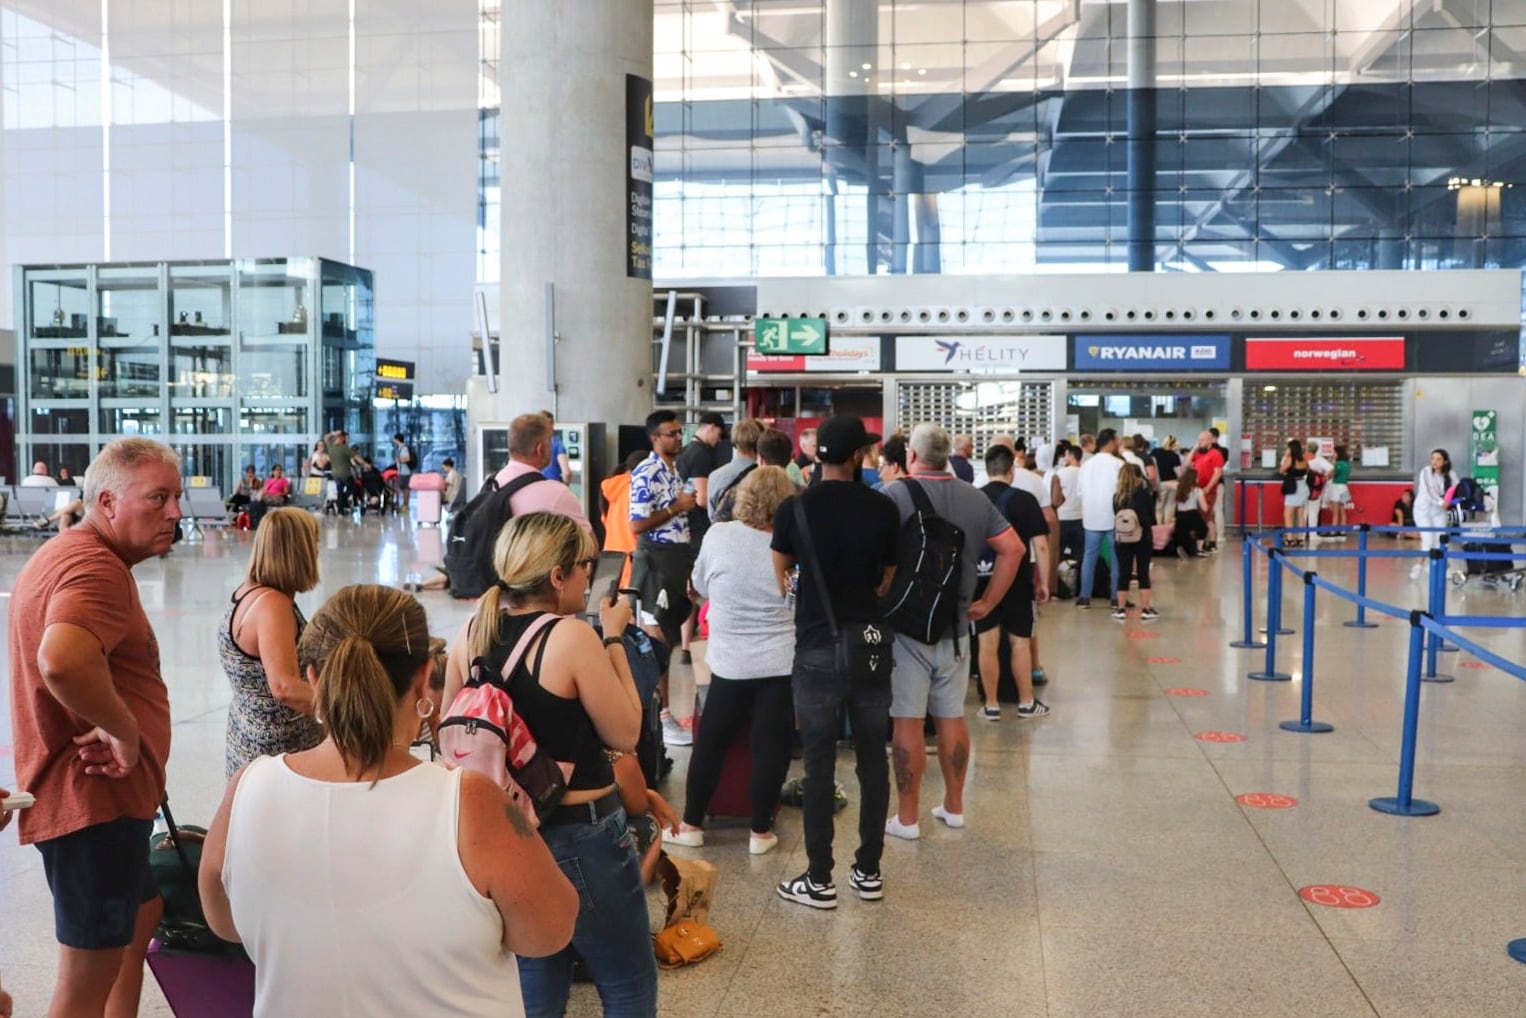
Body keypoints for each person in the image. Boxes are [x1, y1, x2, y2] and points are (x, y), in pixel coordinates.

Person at [199, 584, 579, 1017]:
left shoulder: (249, 789)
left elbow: (225, 924)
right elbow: (550, 931)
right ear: (423, 678)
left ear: (312, 677)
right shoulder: (469, 803)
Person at [442, 512, 656, 1015]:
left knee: (537, 975)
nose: (590, 577)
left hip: (506, 835)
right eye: (584, 566)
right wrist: (613, 639)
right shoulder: (570, 637)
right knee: (627, 981)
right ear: (557, 576)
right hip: (583, 838)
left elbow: (447, 733)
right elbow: (625, 733)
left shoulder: (472, 631)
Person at [8, 437, 182, 1017]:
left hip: (103, 808)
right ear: (106, 502)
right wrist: (125, 729)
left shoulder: (69, 553)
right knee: (85, 981)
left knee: (140, 915)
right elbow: (62, 659)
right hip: (92, 806)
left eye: (175, 498)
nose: (175, 513)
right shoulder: (96, 568)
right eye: (158, 499)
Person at [770, 414, 899, 909]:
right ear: (858, 457)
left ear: (817, 456)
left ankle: (818, 879)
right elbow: (887, 578)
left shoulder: (794, 509)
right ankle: (868, 872)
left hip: (816, 648)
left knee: (820, 764)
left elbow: (781, 573)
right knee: (872, 760)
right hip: (868, 644)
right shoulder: (882, 508)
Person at [882, 423, 1024, 839]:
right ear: (948, 457)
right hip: (958, 626)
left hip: (908, 629)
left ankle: (907, 819)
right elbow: (1013, 549)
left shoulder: (893, 496)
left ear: (911, 455)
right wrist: (987, 603)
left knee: (906, 720)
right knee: (952, 716)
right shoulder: (974, 496)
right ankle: (954, 806)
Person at [670, 467, 797, 855]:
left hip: (728, 663)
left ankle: (690, 824)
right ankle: (760, 832)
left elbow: (703, 586)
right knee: (770, 748)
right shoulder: (794, 544)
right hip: (780, 662)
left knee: (711, 743)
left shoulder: (718, 535)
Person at [220, 507, 323, 777]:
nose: (318, 550)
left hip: (247, 731)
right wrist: (342, 709)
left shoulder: (248, 592)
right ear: (297, 551)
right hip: (278, 745)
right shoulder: (273, 606)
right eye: (314, 542)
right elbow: (284, 687)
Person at [629, 409, 699, 747]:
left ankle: (663, 714)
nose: (678, 438)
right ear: (655, 438)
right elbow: (636, 524)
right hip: (655, 560)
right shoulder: (647, 471)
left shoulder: (674, 469)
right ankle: (662, 715)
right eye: (671, 433)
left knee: (669, 637)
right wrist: (678, 507)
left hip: (675, 560)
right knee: (656, 641)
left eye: (679, 432)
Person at [975, 444, 1052, 720]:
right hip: (1018, 580)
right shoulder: (1025, 499)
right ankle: (1026, 702)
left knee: (986, 642)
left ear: (987, 469)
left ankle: (991, 705)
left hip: (982, 580)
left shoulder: (974, 498)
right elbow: (1041, 546)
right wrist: (1044, 582)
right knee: (1020, 641)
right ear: (1012, 470)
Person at [1076, 428, 1125, 608]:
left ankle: (1084, 597)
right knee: (1116, 558)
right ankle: (1115, 597)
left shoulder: (1086, 465)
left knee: (1089, 557)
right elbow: (1122, 491)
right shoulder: (1118, 464)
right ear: (1111, 441)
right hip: (1113, 517)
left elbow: (1080, 492)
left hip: (1091, 517)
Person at [1112, 464, 1159, 621]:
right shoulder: (1145, 495)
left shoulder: (1117, 497)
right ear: (1138, 478)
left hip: (1121, 538)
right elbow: (1151, 519)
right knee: (1143, 572)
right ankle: (1146, 608)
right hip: (1142, 537)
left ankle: (1120, 609)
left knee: (1123, 573)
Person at [1411, 448, 1458, 579]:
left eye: (1438, 459)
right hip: (1423, 510)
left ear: (1445, 461)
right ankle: (1418, 567)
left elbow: (1456, 489)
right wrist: (1441, 502)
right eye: (1433, 459)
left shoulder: (1451, 474)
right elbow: (1429, 491)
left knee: (1441, 539)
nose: (1435, 462)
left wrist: (1452, 502)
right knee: (1428, 540)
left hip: (1439, 512)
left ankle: (1445, 567)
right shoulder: (1426, 472)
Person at [707, 417, 763, 522]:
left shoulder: (715, 476)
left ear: (734, 443)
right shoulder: (764, 476)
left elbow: (712, 516)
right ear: (759, 443)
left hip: (723, 535)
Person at [1190, 430, 1226, 553]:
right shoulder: (1198, 454)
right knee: (1203, 517)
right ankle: (1206, 542)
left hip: (1208, 491)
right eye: (1199, 440)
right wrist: (1193, 450)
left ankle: (1210, 542)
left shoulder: (1215, 454)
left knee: (1207, 516)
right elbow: (1186, 465)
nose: (1200, 442)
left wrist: (1208, 488)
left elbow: (1217, 473)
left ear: (1210, 441)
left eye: (1202, 440)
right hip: (1196, 490)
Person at [1055, 442, 1084, 566]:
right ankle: (1078, 582)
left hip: (1062, 518)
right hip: (1080, 518)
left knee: (1059, 554)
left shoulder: (1061, 473)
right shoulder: (1085, 472)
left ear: (1071, 456)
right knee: (1080, 555)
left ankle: (1060, 583)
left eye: (1066, 455)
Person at [1172, 465, 1209, 558]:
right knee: (1203, 529)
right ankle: (1199, 549)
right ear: (1194, 479)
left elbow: (1164, 484)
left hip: (1180, 515)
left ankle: (1179, 547)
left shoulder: (1178, 487)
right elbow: (1205, 508)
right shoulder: (1197, 491)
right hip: (1192, 514)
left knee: (1181, 533)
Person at [1278, 440, 1310, 545]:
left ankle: (1289, 538)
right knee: (1300, 514)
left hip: (1293, 488)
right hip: (1303, 487)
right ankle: (1301, 538)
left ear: (1291, 449)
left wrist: (1285, 457)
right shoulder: (1304, 459)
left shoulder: (1290, 459)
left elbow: (1281, 470)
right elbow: (1307, 470)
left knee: (1288, 514)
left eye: (1288, 448)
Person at [248, 463, 292, 529]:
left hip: (278, 498)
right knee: (254, 504)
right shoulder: (268, 481)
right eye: (277, 470)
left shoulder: (283, 480)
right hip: (267, 497)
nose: (279, 471)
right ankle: (255, 523)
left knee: (258, 501)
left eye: (280, 470)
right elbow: (265, 490)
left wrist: (281, 494)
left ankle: (258, 524)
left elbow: (286, 492)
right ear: (273, 471)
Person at [1304, 438, 1333, 533]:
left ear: (1307, 449)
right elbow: (1331, 469)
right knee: (1313, 512)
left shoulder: (1302, 459)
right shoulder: (1319, 460)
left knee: (1302, 513)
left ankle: (1302, 534)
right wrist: (1324, 478)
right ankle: (1313, 534)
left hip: (1302, 487)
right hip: (1315, 489)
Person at [1151, 436, 1183, 524]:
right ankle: (1167, 529)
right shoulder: (1175, 456)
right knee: (1170, 506)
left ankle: (1159, 528)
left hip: (1161, 483)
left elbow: (1151, 466)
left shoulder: (1156, 451)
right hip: (1173, 483)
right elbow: (1179, 473)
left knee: (1159, 508)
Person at [325, 429, 355, 513]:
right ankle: (343, 503)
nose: (347, 440)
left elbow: (326, 437)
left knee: (340, 491)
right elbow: (356, 457)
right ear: (342, 438)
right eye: (346, 438)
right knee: (351, 487)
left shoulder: (334, 447)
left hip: (336, 473)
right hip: (344, 473)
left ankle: (340, 509)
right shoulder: (343, 447)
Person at [1326, 445, 1353, 533]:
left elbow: (1330, 475)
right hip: (1344, 488)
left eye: (1334, 452)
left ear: (1338, 453)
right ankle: (1343, 530)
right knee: (1342, 510)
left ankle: (1333, 531)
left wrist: (1332, 465)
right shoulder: (1347, 464)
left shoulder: (1338, 464)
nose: (1333, 454)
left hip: (1336, 488)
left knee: (1335, 512)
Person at [540, 410, 572, 483]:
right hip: (554, 486)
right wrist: (565, 485)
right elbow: (567, 473)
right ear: (552, 425)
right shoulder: (557, 444)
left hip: (535, 487)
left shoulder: (531, 444)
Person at [392, 433, 414, 511]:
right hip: (403, 471)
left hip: (405, 472)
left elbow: (408, 458)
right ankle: (405, 504)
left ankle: (405, 505)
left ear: (397, 439)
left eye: (394, 439)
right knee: (404, 488)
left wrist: (399, 460)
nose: (393, 441)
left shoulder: (403, 448)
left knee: (405, 488)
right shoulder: (401, 447)